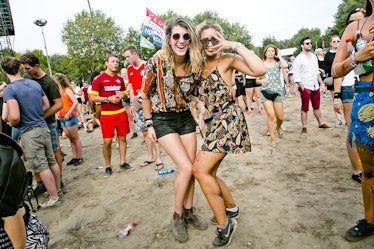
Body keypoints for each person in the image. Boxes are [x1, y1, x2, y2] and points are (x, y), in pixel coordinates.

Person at [193, 20, 266, 247]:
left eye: (215, 39)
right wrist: (199, 113)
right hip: (212, 121)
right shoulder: (199, 63)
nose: (211, 44)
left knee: (199, 169)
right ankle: (232, 209)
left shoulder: (229, 59)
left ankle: (225, 225)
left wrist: (234, 44)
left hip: (229, 118)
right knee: (209, 172)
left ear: (221, 38)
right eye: (205, 40)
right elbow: (198, 95)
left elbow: (260, 69)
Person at [142, 17, 208, 243]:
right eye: (176, 36)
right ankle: (177, 216)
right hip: (162, 119)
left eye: (186, 36)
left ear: (191, 39)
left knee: (194, 169)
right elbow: (144, 94)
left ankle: (189, 212)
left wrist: (202, 113)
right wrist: (149, 124)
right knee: (186, 168)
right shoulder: (157, 60)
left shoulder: (195, 63)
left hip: (184, 117)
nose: (181, 40)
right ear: (169, 39)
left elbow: (199, 93)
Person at [332, 0, 374, 241]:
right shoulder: (355, 27)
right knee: (369, 169)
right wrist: (357, 57)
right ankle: (370, 220)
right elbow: (336, 70)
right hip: (365, 97)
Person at [1, 56, 61, 208]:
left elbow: (14, 116)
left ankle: (54, 197)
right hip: (43, 127)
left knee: (41, 166)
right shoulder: (33, 84)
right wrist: (35, 113)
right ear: (19, 68)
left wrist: (11, 122)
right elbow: (46, 104)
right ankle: (57, 189)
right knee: (51, 160)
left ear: (4, 72)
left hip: (28, 131)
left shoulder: (10, 90)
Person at [19, 52, 64, 195]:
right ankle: (41, 183)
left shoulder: (49, 82)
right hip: (33, 124)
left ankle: (59, 181)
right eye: (24, 69)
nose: (25, 72)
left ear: (36, 66)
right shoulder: (27, 78)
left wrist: (41, 116)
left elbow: (59, 104)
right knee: (37, 156)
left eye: (27, 68)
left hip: (48, 123)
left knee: (54, 152)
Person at [333, 6, 365, 184]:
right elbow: (337, 73)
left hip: (366, 86)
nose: (356, 24)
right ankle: (356, 169)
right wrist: (336, 96)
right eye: (352, 21)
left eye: (360, 19)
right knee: (351, 128)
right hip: (349, 88)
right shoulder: (347, 43)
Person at [90, 54, 133, 178]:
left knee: (123, 139)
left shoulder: (119, 79)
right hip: (107, 115)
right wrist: (108, 99)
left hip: (120, 113)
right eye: (113, 61)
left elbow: (125, 94)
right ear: (106, 63)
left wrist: (122, 95)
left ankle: (123, 162)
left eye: (117, 62)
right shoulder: (99, 79)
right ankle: (108, 166)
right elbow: (92, 97)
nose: (116, 64)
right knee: (107, 142)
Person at [123, 46, 164, 169]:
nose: (126, 59)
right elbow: (130, 87)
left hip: (148, 102)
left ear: (135, 54)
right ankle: (150, 156)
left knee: (153, 130)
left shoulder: (147, 65)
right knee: (144, 132)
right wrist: (131, 104)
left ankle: (158, 158)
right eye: (125, 57)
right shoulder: (129, 69)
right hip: (137, 104)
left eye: (128, 56)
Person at [293, 36, 331, 134]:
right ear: (302, 45)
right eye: (307, 43)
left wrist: (321, 83)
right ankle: (304, 126)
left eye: (310, 43)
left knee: (317, 105)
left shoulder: (314, 56)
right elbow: (296, 76)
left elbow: (316, 72)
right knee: (305, 107)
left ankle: (321, 123)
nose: (309, 45)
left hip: (315, 85)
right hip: (305, 86)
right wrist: (302, 87)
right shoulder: (298, 59)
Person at [258, 44, 288, 147]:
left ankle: (278, 128)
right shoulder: (261, 64)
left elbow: (285, 66)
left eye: (273, 51)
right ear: (265, 53)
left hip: (277, 92)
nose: (271, 52)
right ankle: (273, 139)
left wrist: (279, 55)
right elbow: (256, 80)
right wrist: (261, 81)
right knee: (271, 115)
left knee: (280, 117)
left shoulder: (278, 63)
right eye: (269, 51)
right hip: (265, 92)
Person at [53, 73, 84, 166]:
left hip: (70, 117)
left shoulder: (67, 90)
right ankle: (75, 157)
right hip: (62, 117)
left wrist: (69, 112)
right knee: (71, 139)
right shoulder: (59, 91)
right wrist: (58, 113)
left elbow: (75, 102)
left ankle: (79, 157)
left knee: (75, 138)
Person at [324, 35, 344, 126]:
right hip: (333, 78)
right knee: (335, 99)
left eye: (338, 41)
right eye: (334, 41)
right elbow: (325, 67)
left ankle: (345, 117)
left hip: (345, 79)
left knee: (346, 99)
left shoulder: (344, 52)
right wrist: (335, 66)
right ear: (331, 43)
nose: (336, 43)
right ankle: (338, 119)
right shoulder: (328, 54)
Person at [120, 68, 137, 139]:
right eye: (122, 73)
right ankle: (134, 132)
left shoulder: (132, 80)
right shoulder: (120, 82)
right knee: (129, 117)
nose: (124, 74)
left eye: (125, 73)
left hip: (134, 99)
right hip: (125, 100)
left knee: (137, 114)